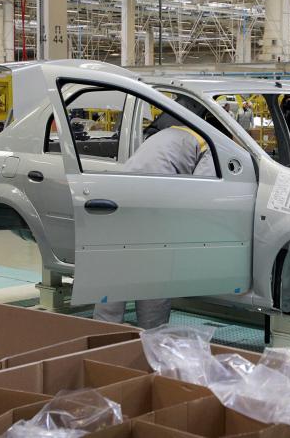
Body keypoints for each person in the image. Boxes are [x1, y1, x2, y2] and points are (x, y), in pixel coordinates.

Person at [93, 124, 216, 329]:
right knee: (154, 277)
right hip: (153, 204)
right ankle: (153, 339)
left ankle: (101, 337)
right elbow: (202, 190)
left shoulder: (169, 133)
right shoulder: (208, 145)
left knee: (114, 273)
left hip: (118, 197)